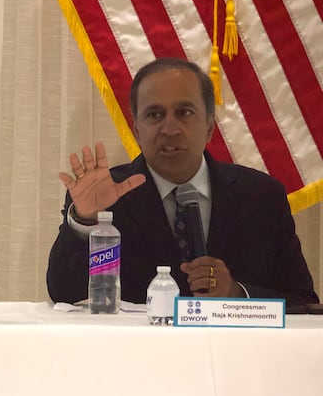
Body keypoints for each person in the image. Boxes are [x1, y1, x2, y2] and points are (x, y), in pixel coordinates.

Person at [47, 57, 318, 306]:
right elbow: (63, 293)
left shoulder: (261, 196)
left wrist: (237, 293)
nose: (170, 128)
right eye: (154, 114)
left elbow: (303, 302)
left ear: (210, 126)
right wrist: (85, 220)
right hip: (137, 354)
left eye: (184, 112)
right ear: (137, 131)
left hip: (235, 354)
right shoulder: (105, 195)